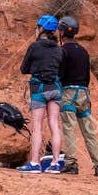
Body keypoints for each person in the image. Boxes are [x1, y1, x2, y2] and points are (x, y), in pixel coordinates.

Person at [58, 16, 98, 178]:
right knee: (89, 131)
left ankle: (71, 163)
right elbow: (87, 76)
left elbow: (60, 74)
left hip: (68, 93)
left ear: (62, 32)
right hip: (83, 93)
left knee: (69, 128)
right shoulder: (83, 51)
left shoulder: (62, 51)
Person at [18, 15, 64, 174]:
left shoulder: (34, 47)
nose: (36, 29)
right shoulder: (59, 49)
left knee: (37, 125)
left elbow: (23, 69)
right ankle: (56, 163)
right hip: (55, 88)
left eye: (37, 27)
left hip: (39, 89)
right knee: (54, 124)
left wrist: (36, 69)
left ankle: (35, 163)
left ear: (41, 29)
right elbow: (61, 70)